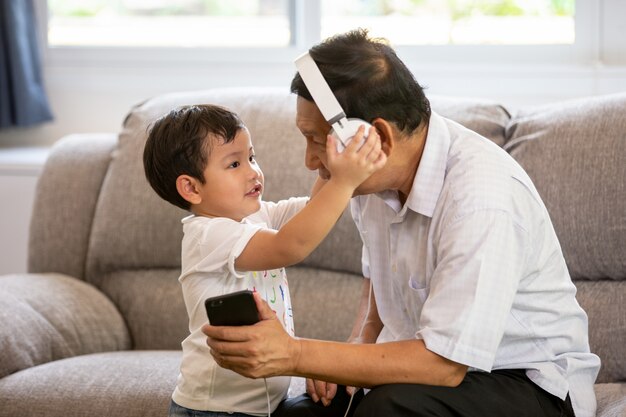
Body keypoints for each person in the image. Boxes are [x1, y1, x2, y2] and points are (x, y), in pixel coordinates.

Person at [202, 29, 601, 417]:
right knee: (302, 412)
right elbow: (378, 278)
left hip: (527, 383)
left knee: (386, 410)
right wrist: (359, 341)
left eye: (316, 140)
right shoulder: (364, 176)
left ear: (376, 136)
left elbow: (444, 364)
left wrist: (295, 354)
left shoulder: (481, 199)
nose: (310, 161)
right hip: (426, 370)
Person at [142, 103, 386, 417]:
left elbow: (316, 209)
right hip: (214, 410)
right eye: (234, 164)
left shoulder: (257, 215)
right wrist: (343, 181)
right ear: (191, 188)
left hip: (260, 406)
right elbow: (292, 245)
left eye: (252, 157)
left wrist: (334, 163)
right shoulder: (207, 235)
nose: (253, 171)